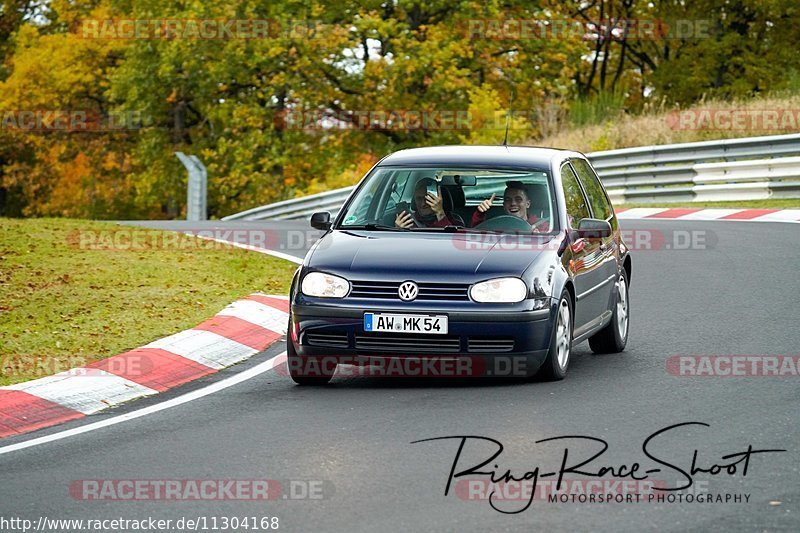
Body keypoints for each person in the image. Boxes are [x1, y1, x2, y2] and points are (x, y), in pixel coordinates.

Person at [471, 180, 550, 231]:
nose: (513, 203)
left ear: (527, 204)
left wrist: (539, 238)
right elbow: (476, 235)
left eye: (518, 199)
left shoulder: (542, 225)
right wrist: (480, 213)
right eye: (508, 200)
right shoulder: (495, 225)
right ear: (504, 205)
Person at [395, 178, 460, 228]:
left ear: (438, 199)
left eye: (427, 198)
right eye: (419, 198)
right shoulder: (407, 220)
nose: (423, 204)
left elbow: (455, 242)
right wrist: (397, 231)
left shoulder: (454, 220)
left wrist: (440, 214)